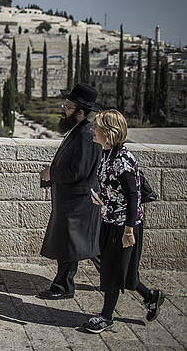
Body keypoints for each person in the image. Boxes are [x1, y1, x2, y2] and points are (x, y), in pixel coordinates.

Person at [81, 109, 164, 333]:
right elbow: (113, 188)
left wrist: (129, 231)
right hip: (110, 220)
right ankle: (151, 296)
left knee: (113, 271)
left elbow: (134, 197)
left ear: (109, 132)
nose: (92, 129)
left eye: (96, 126)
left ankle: (106, 317)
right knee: (120, 270)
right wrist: (102, 199)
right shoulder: (107, 153)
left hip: (124, 226)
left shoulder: (124, 160)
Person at [38, 83, 102, 300]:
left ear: (81, 112)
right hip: (74, 200)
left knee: (71, 245)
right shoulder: (80, 130)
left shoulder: (85, 134)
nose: (62, 109)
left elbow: (78, 171)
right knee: (88, 245)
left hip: (78, 201)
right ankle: (117, 279)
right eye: (64, 104)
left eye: (67, 106)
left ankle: (63, 287)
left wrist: (51, 174)